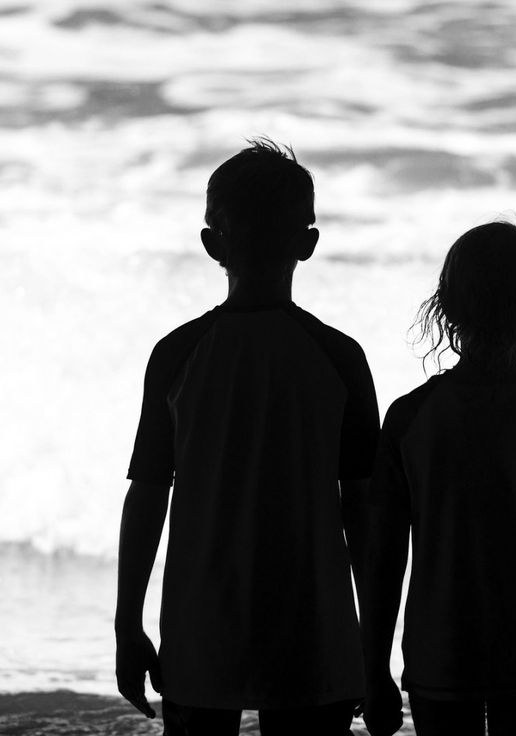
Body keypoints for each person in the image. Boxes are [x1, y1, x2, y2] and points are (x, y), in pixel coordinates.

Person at [114, 138, 379, 736]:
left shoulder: (178, 354)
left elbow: (148, 495)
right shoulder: (339, 359)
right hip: (313, 629)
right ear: (307, 244)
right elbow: (364, 511)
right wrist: (375, 637)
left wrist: (127, 624)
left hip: (199, 626)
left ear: (212, 244)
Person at [356, 221, 516, 736]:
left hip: (438, 655)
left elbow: (383, 560)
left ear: (446, 309)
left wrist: (373, 669)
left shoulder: (411, 419)